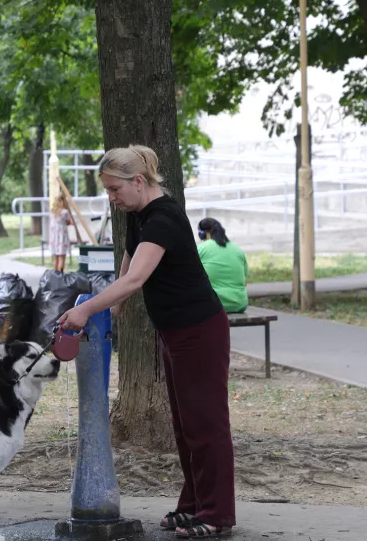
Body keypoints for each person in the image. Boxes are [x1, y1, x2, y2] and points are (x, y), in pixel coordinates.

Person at [58, 145, 235, 538]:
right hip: (173, 330)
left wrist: (87, 311)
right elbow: (128, 261)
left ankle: (217, 513)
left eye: (114, 189)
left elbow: (136, 279)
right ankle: (192, 505)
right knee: (185, 424)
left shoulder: (164, 218)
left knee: (206, 424)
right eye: (107, 190)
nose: (111, 198)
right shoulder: (137, 214)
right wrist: (112, 307)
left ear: (138, 181)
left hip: (200, 330)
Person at [197, 218, 249, 314]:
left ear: (203, 233)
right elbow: (245, 282)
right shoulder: (238, 250)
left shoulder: (200, 248)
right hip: (239, 304)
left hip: (211, 305)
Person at [48, 193, 73, 272]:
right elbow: (70, 222)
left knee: (56, 258)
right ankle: (60, 276)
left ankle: (55, 275)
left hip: (54, 237)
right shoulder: (65, 212)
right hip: (62, 237)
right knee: (62, 257)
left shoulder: (52, 212)